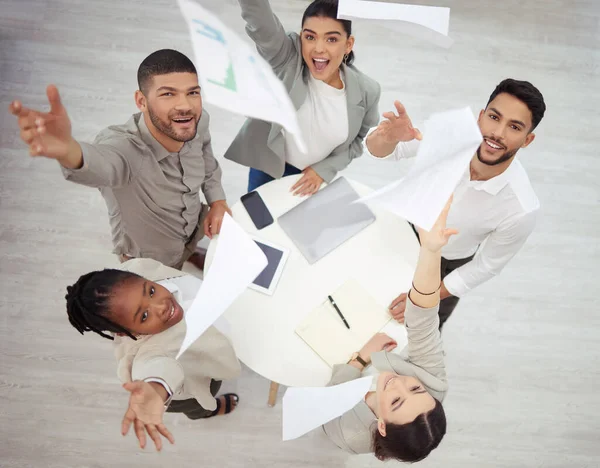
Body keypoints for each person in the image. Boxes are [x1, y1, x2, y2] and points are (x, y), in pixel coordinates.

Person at [9, 49, 230, 270]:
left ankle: (188, 253)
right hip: (150, 259)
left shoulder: (197, 122)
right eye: (168, 94)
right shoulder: (125, 147)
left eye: (192, 92)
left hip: (192, 228)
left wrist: (217, 200)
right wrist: (68, 150)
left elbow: (206, 157)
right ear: (141, 101)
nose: (186, 106)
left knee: (187, 249)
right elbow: (102, 163)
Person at [366, 79, 546, 329]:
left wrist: (424, 297)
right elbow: (382, 151)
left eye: (514, 127)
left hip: (445, 266)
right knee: (363, 296)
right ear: (481, 116)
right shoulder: (450, 135)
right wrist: (387, 137)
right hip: (403, 229)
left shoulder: (522, 208)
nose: (498, 133)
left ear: (527, 140)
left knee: (414, 333)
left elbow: (486, 266)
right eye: (494, 117)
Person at [322, 199, 456, 462]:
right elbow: (424, 319)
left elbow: (328, 398)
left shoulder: (348, 433)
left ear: (380, 425)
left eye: (396, 402)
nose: (399, 384)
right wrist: (430, 251)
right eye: (416, 390)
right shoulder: (434, 385)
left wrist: (360, 360)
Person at [65, 257, 241, 451]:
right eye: (144, 316)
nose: (161, 306)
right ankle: (209, 411)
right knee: (199, 403)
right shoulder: (150, 352)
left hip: (210, 335)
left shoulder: (136, 270)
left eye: (151, 291)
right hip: (180, 389)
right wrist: (156, 388)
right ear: (123, 333)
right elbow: (155, 367)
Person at [225, 0, 381, 195]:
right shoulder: (288, 59)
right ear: (301, 39)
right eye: (310, 37)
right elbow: (260, 21)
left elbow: (360, 141)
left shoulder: (367, 91)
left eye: (331, 39)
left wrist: (324, 169)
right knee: (257, 223)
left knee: (301, 224)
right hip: (269, 167)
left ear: (348, 44)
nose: (318, 48)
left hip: (311, 179)